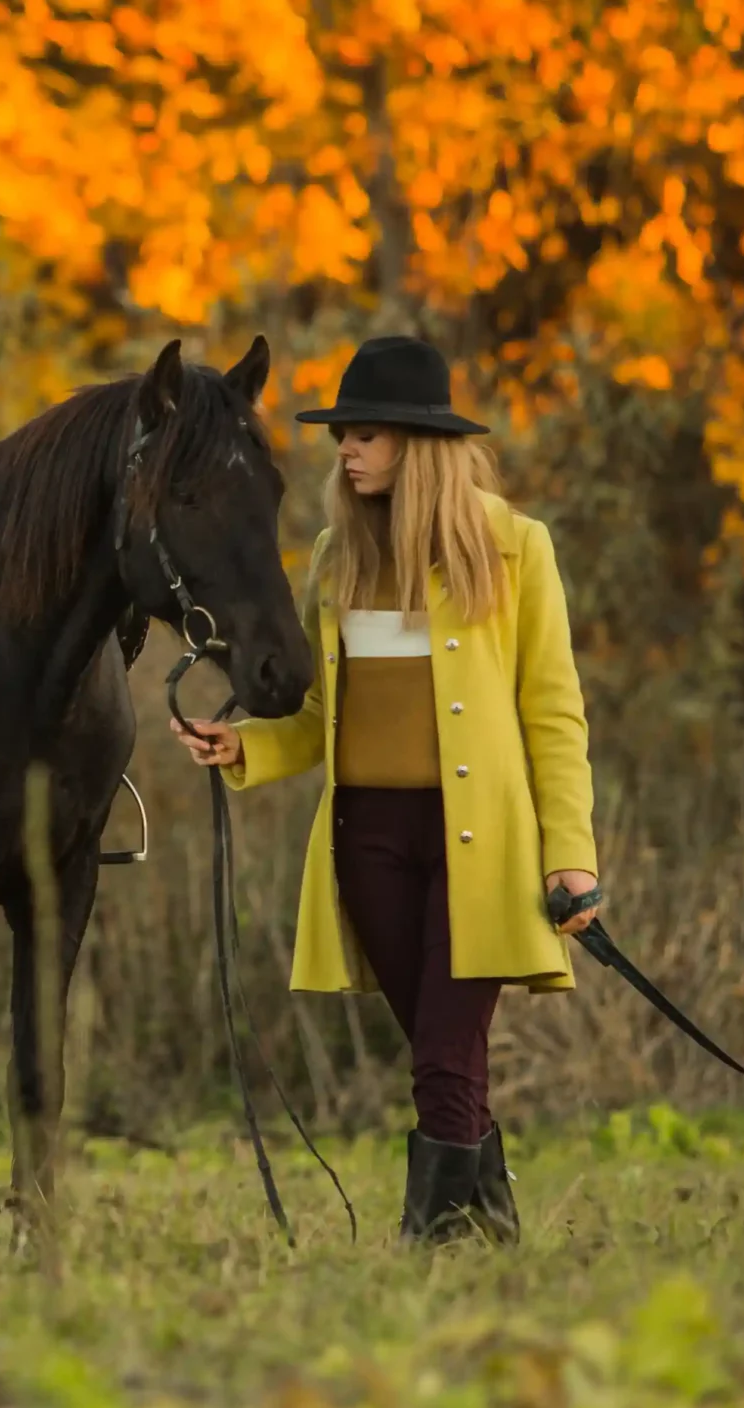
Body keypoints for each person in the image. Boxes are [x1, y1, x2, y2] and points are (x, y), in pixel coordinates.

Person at [169, 334, 599, 1246]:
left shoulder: (516, 549)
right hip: (367, 838)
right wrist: (240, 745)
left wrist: (572, 859)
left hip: (477, 842)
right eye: (343, 438)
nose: (347, 452)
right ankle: (488, 1221)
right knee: (440, 1048)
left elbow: (553, 714)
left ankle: (432, 1237)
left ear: (419, 442)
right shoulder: (338, 556)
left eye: (364, 434)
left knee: (445, 1050)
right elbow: (322, 713)